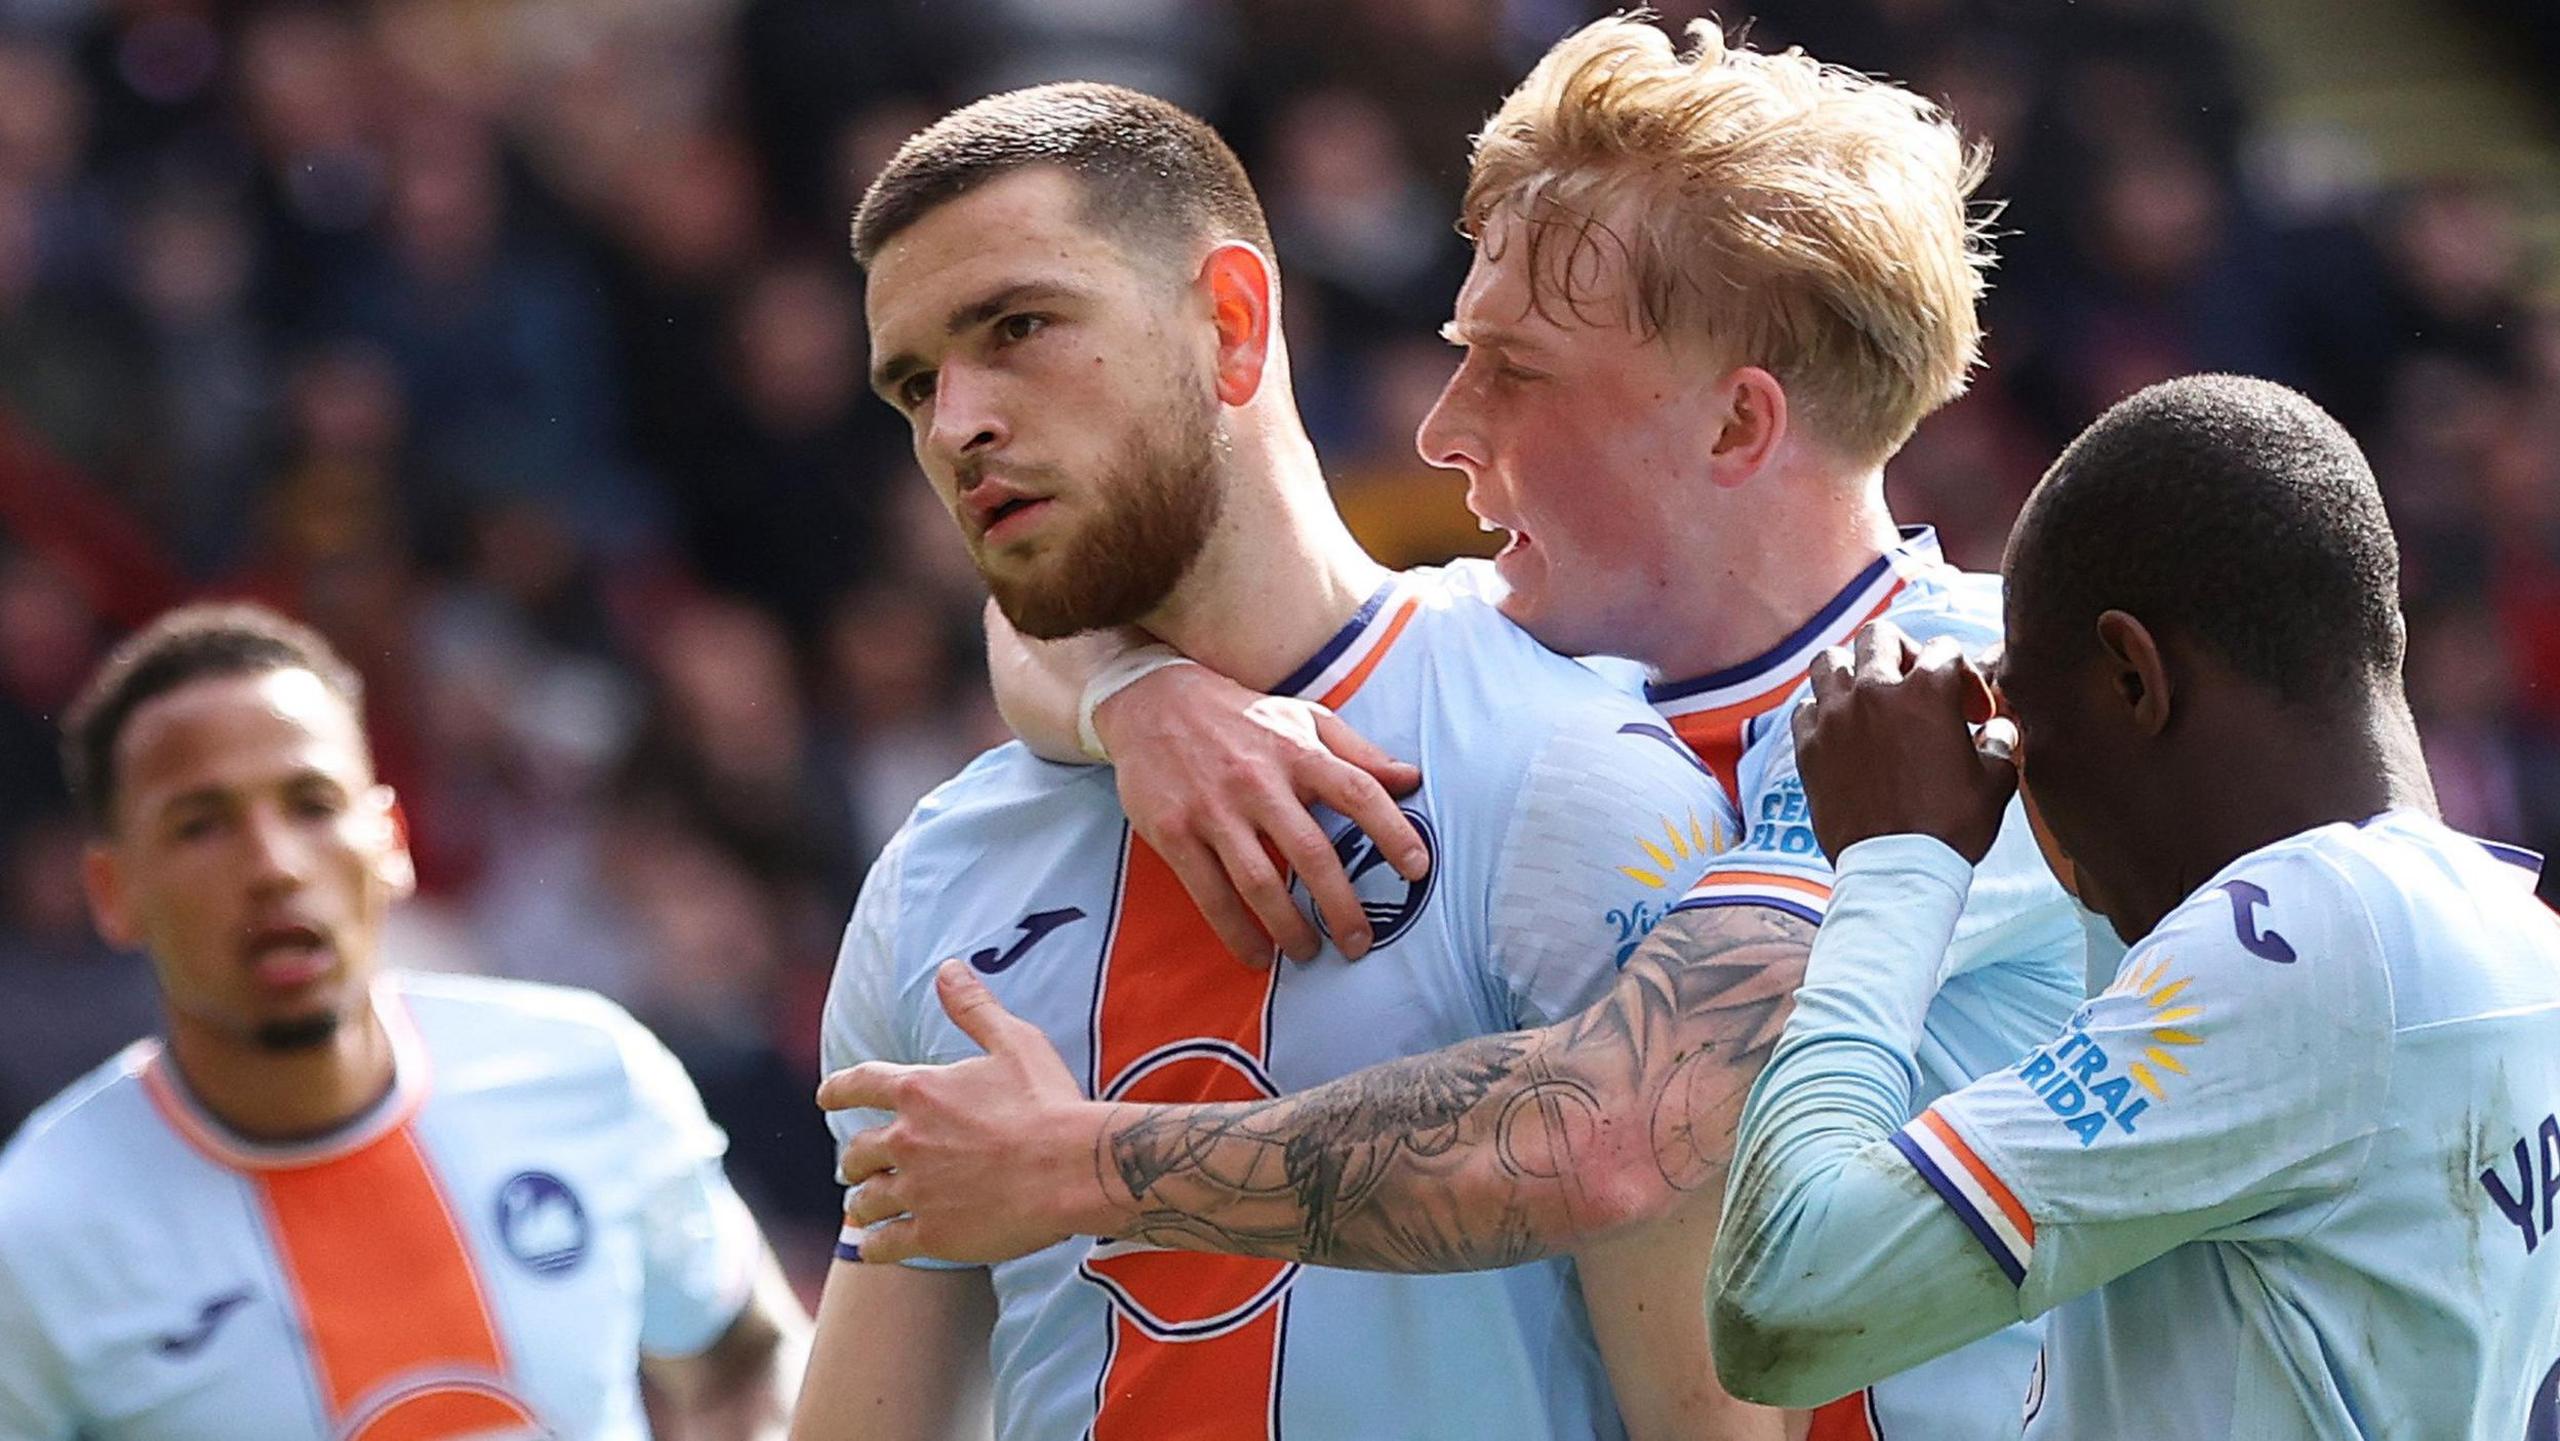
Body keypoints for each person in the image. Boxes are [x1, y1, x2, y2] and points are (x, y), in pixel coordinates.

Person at [824, 19, 2087, 1439]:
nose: (1441, 427)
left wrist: (1082, 1170)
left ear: (1735, 429)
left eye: (1517, 369)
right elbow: (1098, 612)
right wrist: (1138, 700)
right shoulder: (1525, 672)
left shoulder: (1962, 702)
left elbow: (1606, 1135)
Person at [794, 81, 1737, 1441]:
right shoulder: (937, 879)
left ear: (1230, 321)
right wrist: (1128, 693)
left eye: (1019, 327)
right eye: (914, 385)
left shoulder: (1561, 769)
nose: (957, 427)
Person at [1709, 374, 2560, 1437]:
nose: (2020, 781)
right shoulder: (2515, 937)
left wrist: (1893, 859)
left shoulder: (2307, 942)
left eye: (2028, 732)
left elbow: (1781, 1298)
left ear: (2131, 677)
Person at [0, 603, 809, 1440]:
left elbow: (749, 1354)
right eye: (202, 824)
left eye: (311, 803)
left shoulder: (588, 1072)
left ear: (390, 837)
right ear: (112, 891)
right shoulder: (33, 1231)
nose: (274, 865)